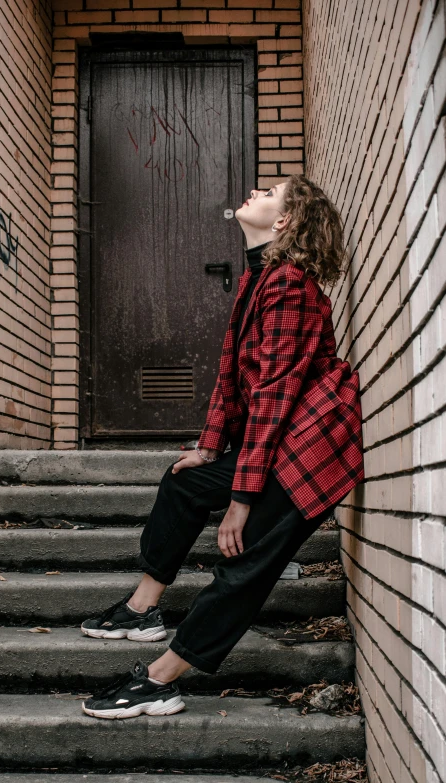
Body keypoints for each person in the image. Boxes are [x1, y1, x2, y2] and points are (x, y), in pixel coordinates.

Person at [80, 174, 365, 720]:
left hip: (309, 453)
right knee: (185, 480)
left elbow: (275, 398)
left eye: (270, 194)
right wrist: (210, 449)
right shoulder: (259, 281)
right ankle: (142, 610)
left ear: (283, 222)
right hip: (280, 441)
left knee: (244, 564)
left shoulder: (289, 287)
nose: (256, 193)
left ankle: (159, 681)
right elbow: (236, 377)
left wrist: (240, 498)